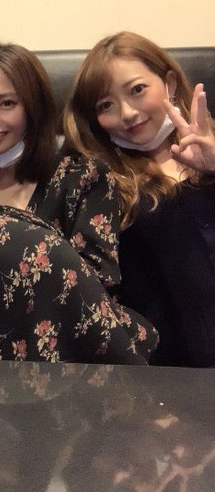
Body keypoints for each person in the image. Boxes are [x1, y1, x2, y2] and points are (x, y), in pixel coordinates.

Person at [0, 43, 157, 379]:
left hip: (75, 357)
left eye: (7, 103)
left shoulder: (83, 177)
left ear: (33, 107)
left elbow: (96, 284)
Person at [63, 31, 215, 367]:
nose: (128, 113)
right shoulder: (104, 183)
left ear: (169, 83)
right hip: (174, 372)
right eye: (106, 105)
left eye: (137, 90)